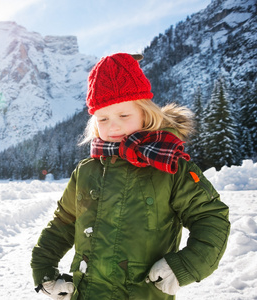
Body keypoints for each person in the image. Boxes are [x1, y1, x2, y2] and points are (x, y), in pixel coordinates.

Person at [30, 53, 230, 300]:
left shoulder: (170, 166)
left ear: (146, 112)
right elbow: (62, 224)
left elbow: (210, 217)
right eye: (103, 118)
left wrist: (186, 265)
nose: (113, 126)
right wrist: (43, 271)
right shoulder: (86, 170)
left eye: (124, 115)